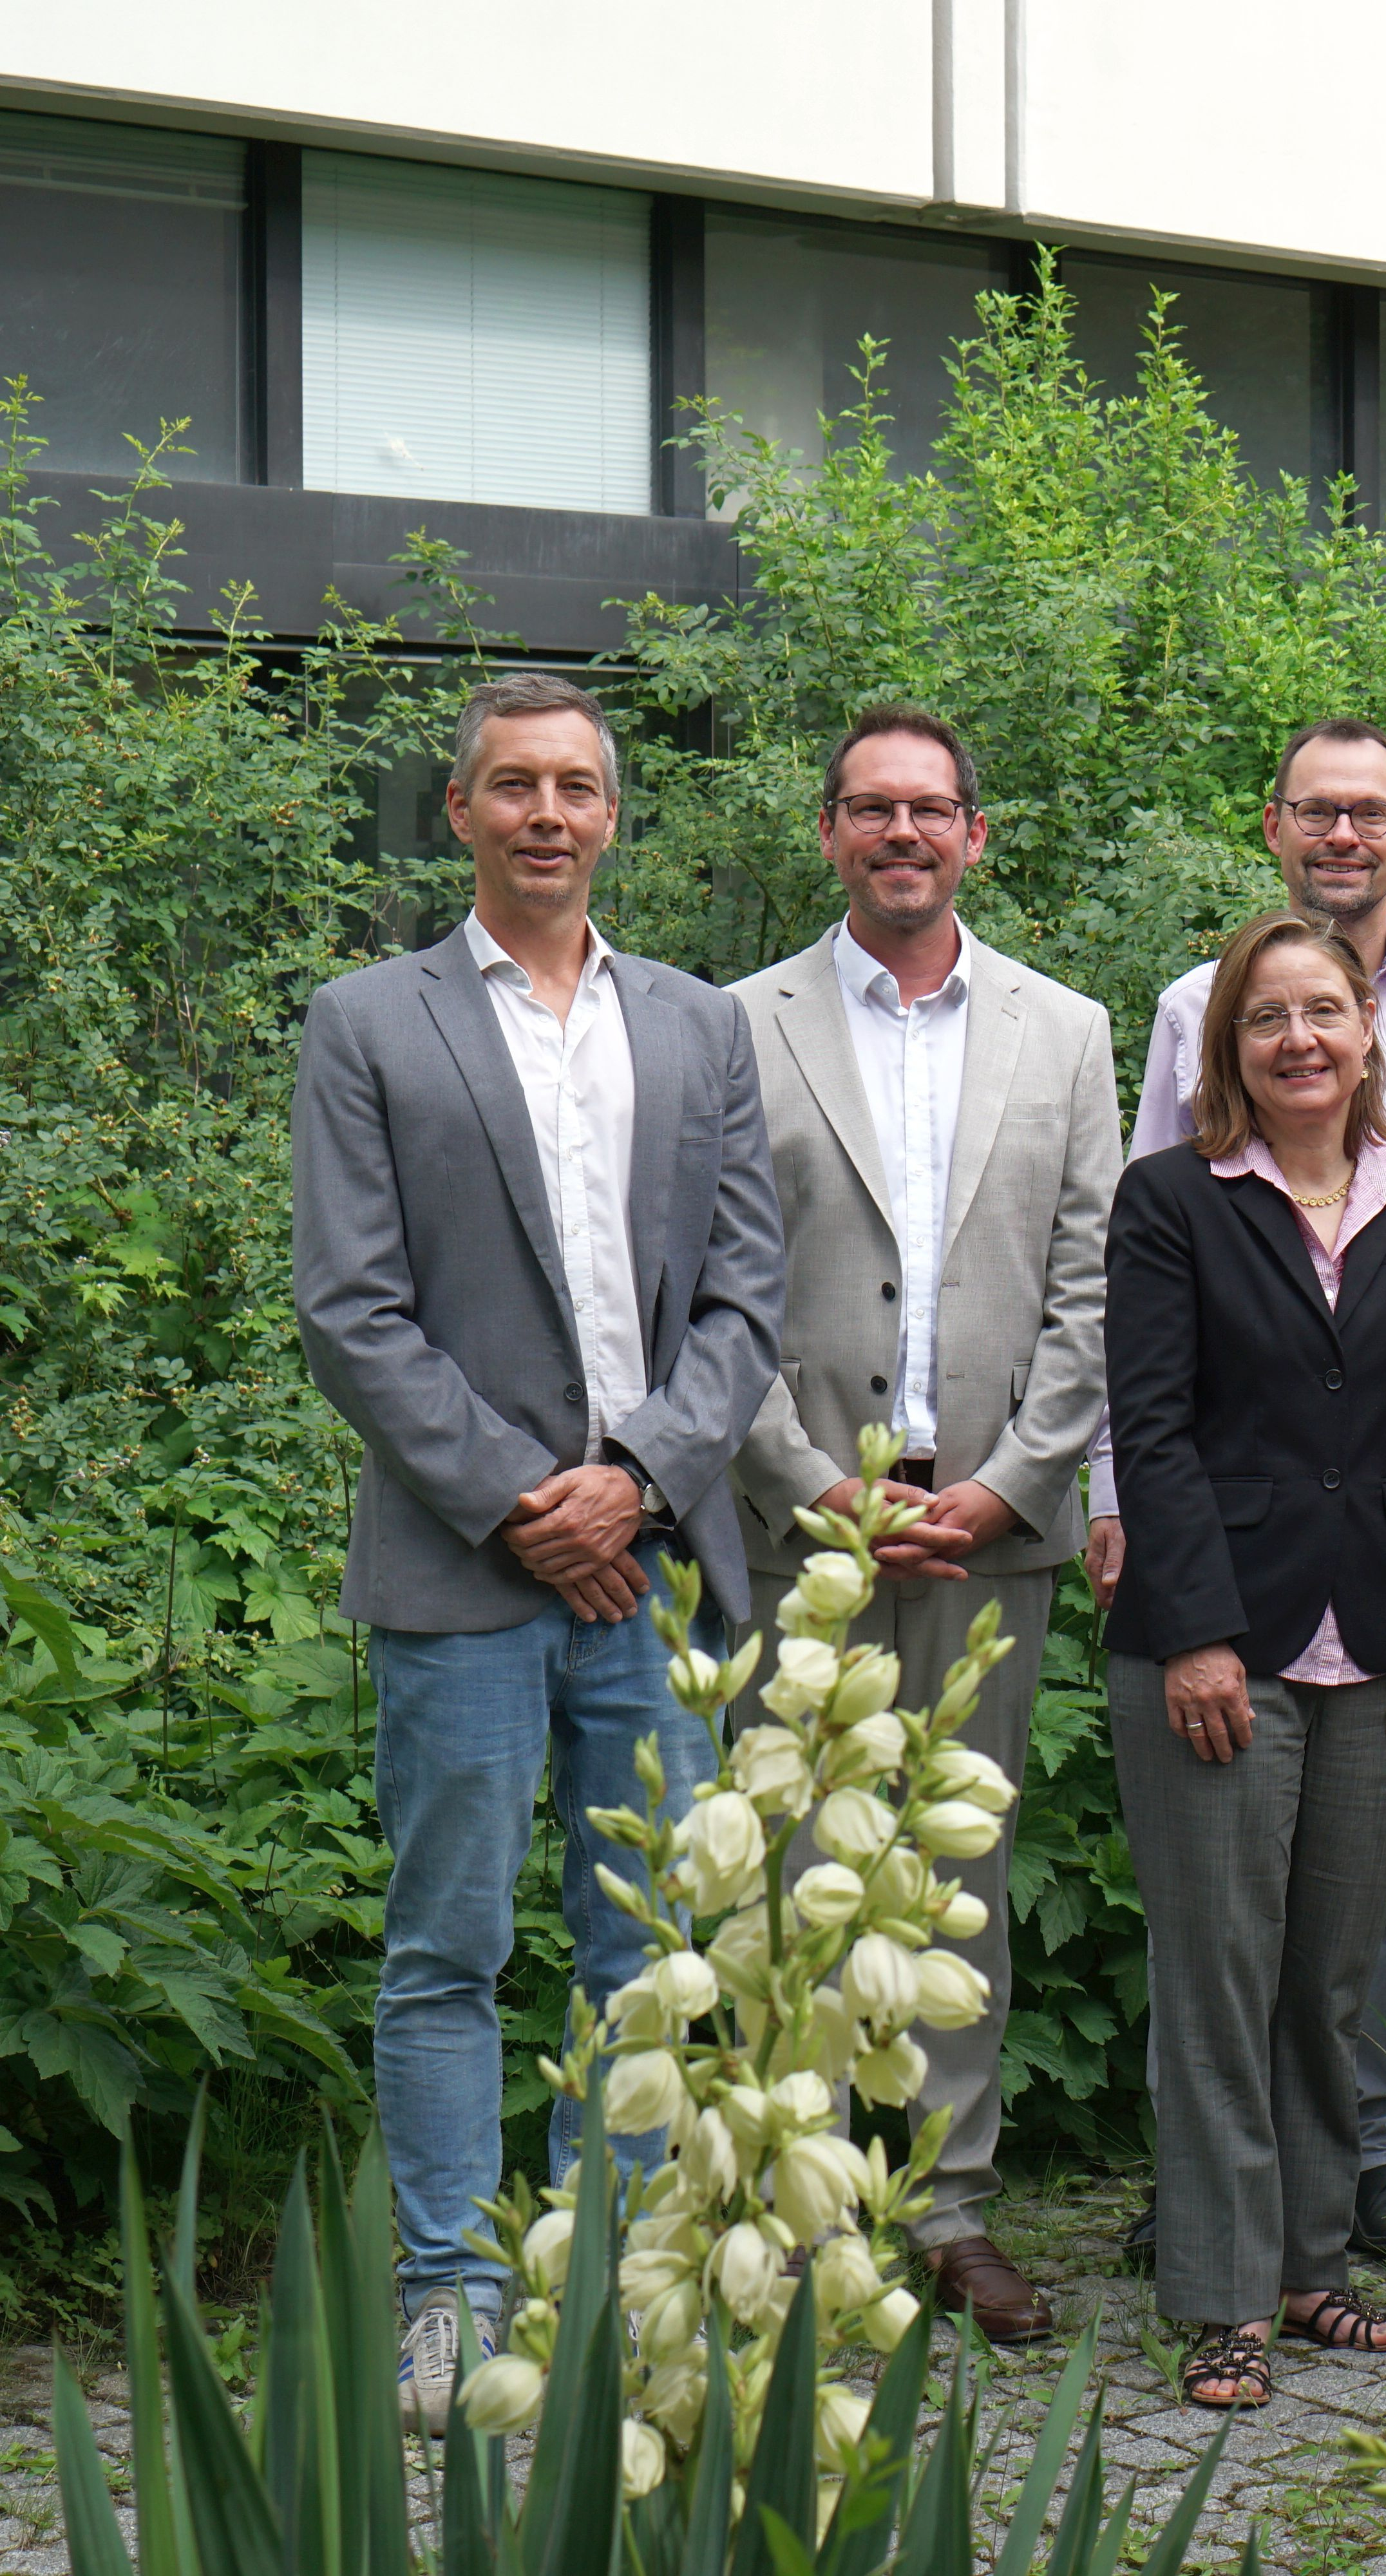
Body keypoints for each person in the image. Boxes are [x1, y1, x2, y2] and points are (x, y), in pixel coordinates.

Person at [290, 673, 784, 2434]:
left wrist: (634, 1483)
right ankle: (450, 2295)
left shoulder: (698, 1026)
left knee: (641, 1950)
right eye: (514, 787)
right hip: (465, 1576)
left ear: (615, 813)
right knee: (448, 1951)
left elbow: (745, 1297)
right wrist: (527, 1502)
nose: (548, 815)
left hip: (650, 1564)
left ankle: (611, 2279)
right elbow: (351, 1314)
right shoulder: (368, 1024)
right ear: (459, 812)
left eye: (578, 786)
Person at [1090, 717, 1386, 2272]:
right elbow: (1150, 1397)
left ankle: (1334, 2229)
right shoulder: (1175, 1187)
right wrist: (1171, 1595)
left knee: (1354, 1944)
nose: (1300, 1038)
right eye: (1269, 1018)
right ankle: (1221, 2267)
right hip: (1230, 1598)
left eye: (1324, 1015)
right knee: (1221, 1949)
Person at [723, 705, 1119, 2344]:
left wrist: (1009, 1481)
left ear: (977, 832)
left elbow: (1096, 1288)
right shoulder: (734, 1024)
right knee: (799, 1863)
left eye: (930, 809)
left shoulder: (1067, 1029)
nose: (902, 833)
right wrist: (809, 1479)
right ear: (828, 832)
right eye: (870, 809)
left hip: (988, 1527)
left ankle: (948, 2203)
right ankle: (798, 2204)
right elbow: (707, 1283)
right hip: (797, 1528)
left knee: (958, 1866)